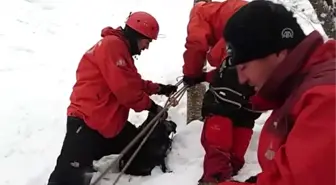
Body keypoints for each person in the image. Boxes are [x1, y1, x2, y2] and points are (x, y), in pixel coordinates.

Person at [47, 11, 177, 185]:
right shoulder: (112, 46)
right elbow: (127, 92)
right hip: (86, 123)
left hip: (109, 125)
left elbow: (133, 82)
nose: (146, 47)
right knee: (68, 180)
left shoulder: (119, 50)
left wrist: (160, 88)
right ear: (137, 35)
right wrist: (153, 107)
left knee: (143, 158)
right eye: (147, 42)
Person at [218, 0, 336, 185]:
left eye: (244, 66)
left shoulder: (325, 98)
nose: (242, 79)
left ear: (279, 52)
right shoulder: (298, 89)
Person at [181, 0, 261, 184]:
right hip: (270, 63)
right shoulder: (233, 10)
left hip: (243, 51)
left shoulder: (200, 10)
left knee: (217, 106)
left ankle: (216, 174)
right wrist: (204, 77)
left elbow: (196, 44)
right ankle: (233, 165)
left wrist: (191, 73)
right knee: (245, 112)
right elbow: (227, 75)